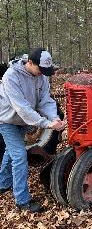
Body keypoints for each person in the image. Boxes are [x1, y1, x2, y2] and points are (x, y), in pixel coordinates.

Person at [0, 47, 65, 213]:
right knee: (19, 156)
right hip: (6, 120)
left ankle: (3, 183)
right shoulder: (11, 76)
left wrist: (54, 118)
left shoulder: (41, 77)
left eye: (45, 70)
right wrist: (45, 123)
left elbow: (45, 100)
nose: (42, 73)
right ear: (29, 62)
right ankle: (22, 200)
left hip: (22, 121)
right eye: (40, 69)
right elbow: (21, 108)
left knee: (11, 151)